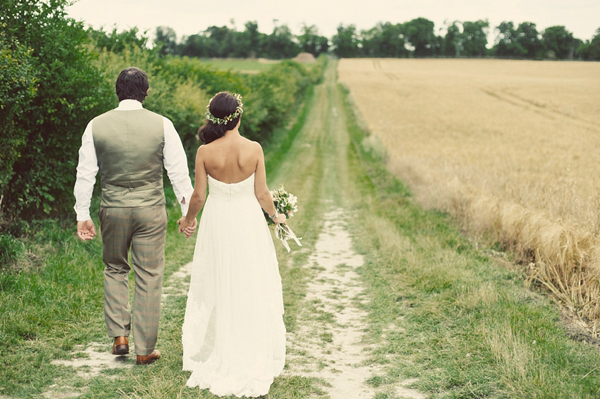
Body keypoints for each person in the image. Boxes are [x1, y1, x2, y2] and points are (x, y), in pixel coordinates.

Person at [74, 67, 195, 365]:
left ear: (117, 91)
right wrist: (187, 214)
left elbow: (85, 174)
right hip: (151, 210)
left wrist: (82, 213)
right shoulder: (163, 124)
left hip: (112, 209)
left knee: (115, 268)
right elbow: (178, 174)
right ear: (147, 92)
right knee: (149, 275)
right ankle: (144, 350)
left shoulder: (95, 125)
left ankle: (120, 337)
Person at [177, 92, 286, 397]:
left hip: (218, 221)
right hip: (247, 220)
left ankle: (221, 342)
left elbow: (198, 196)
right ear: (238, 117)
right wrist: (277, 217)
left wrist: (188, 220)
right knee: (249, 278)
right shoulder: (253, 149)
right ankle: (249, 343)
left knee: (218, 278)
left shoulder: (204, 152)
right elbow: (262, 193)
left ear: (214, 117)